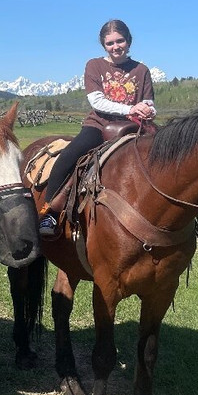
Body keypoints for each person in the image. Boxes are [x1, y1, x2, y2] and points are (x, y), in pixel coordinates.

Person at [36, 18, 156, 236]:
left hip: (134, 128)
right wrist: (130, 109)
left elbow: (148, 102)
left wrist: (148, 110)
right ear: (104, 46)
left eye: (120, 41)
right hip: (99, 126)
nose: (115, 47)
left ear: (128, 41)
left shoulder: (142, 70)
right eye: (110, 43)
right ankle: (50, 212)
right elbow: (97, 101)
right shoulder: (94, 65)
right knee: (69, 156)